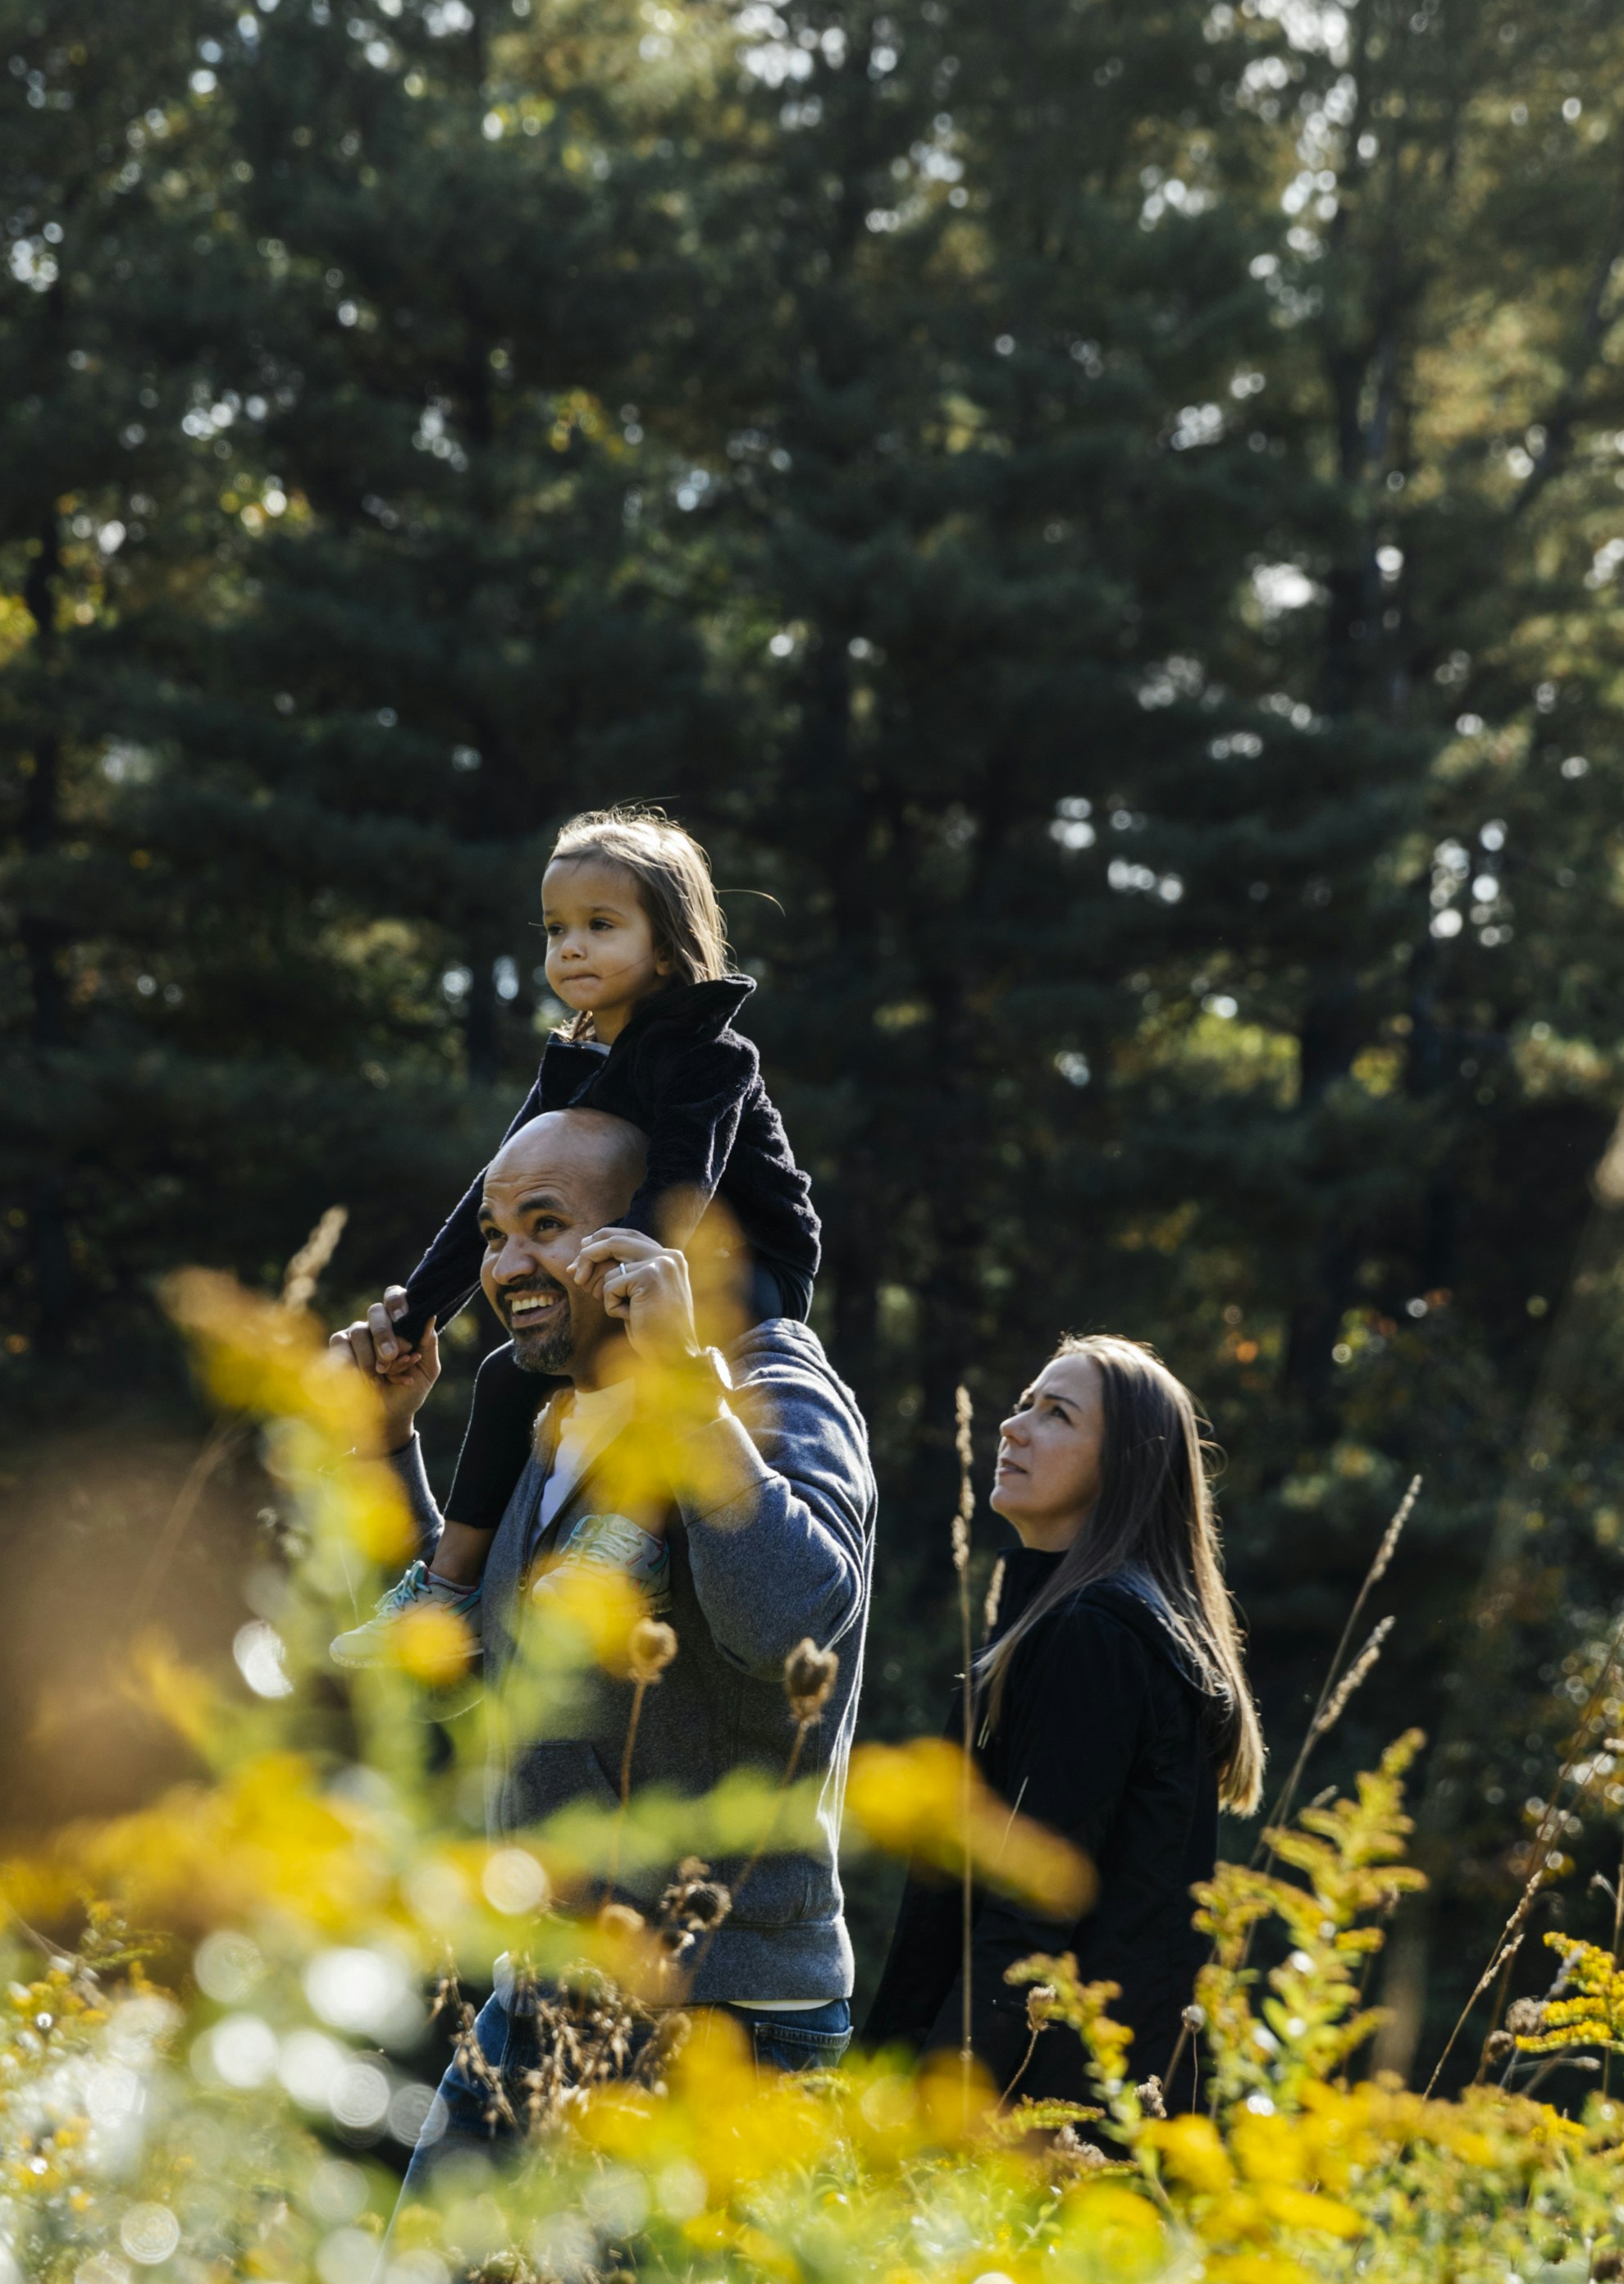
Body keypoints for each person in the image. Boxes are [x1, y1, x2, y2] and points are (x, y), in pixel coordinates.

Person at [331, 1105, 872, 2100]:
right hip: (537, 1996)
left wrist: (686, 1395)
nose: (504, 1267)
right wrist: (383, 1444)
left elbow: (792, 1625)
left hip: (717, 2022)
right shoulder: (557, 1421)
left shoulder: (773, 1384)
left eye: (546, 1225)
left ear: (646, 1241)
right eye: (493, 1237)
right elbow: (455, 1664)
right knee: (420, 2265)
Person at [364, 811, 823, 1636]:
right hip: (637, 1257)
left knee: (636, 1354)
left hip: (747, 1266)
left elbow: (685, 1180)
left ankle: (630, 1538)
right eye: (555, 929)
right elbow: (491, 1199)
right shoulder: (576, 1067)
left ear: (666, 947)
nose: (570, 946)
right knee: (506, 1375)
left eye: (600, 925)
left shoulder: (712, 1053)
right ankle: (448, 1586)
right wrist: (418, 1309)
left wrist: (618, 1269)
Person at [859, 1335, 1266, 2113]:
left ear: (1124, 1466)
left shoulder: (1097, 1635)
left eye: (1056, 1415)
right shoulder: (1081, 1621)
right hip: (1083, 2095)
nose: (1013, 1428)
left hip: (1045, 2114)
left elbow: (1031, 1905)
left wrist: (931, 2116)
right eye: (1023, 1405)